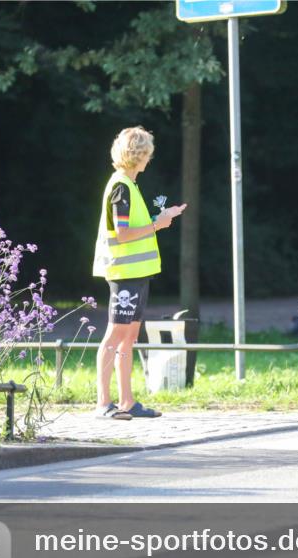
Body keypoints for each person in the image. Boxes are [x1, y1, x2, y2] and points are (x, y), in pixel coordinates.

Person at [92, 126, 186, 419]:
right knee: (115, 335)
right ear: (139, 155)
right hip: (124, 274)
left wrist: (161, 217)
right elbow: (122, 234)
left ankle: (127, 402)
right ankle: (103, 404)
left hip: (136, 273)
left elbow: (132, 229)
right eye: (147, 154)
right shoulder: (121, 186)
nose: (149, 159)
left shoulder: (128, 186)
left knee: (129, 337)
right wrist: (158, 224)